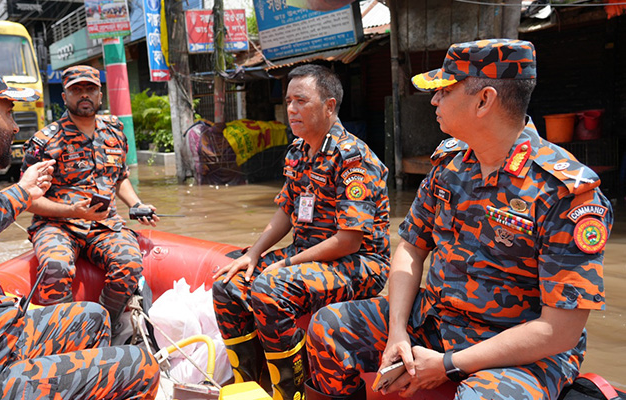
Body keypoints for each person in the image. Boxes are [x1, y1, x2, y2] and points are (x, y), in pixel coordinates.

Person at [305, 39, 613, 400]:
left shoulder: (564, 192)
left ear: (484, 101)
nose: (434, 100)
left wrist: (449, 364)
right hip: (436, 320)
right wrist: (398, 332)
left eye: (445, 91)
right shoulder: (450, 164)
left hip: (518, 350)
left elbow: (559, 330)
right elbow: (410, 248)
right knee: (328, 326)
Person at [0, 52, 159, 399]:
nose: (14, 127)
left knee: (94, 317)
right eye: (7, 113)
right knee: (141, 367)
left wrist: (20, 193)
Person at [212, 64, 391, 400]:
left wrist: (287, 265)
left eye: (301, 101)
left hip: (360, 263)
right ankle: (250, 383)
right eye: (289, 100)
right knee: (227, 282)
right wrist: (253, 253)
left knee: (270, 287)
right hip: (309, 255)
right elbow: (285, 211)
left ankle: (290, 392)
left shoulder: (353, 158)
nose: (291, 109)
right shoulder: (298, 151)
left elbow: (348, 240)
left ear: (329, 106)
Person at [21, 65, 159, 332]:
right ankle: (66, 334)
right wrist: (73, 211)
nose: (83, 95)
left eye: (90, 89)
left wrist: (136, 204)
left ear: (100, 94)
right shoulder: (44, 141)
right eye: (76, 90)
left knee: (129, 264)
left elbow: (119, 177)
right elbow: (27, 200)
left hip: (104, 226)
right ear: (64, 97)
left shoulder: (115, 131)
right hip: (56, 225)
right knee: (54, 265)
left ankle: (102, 326)